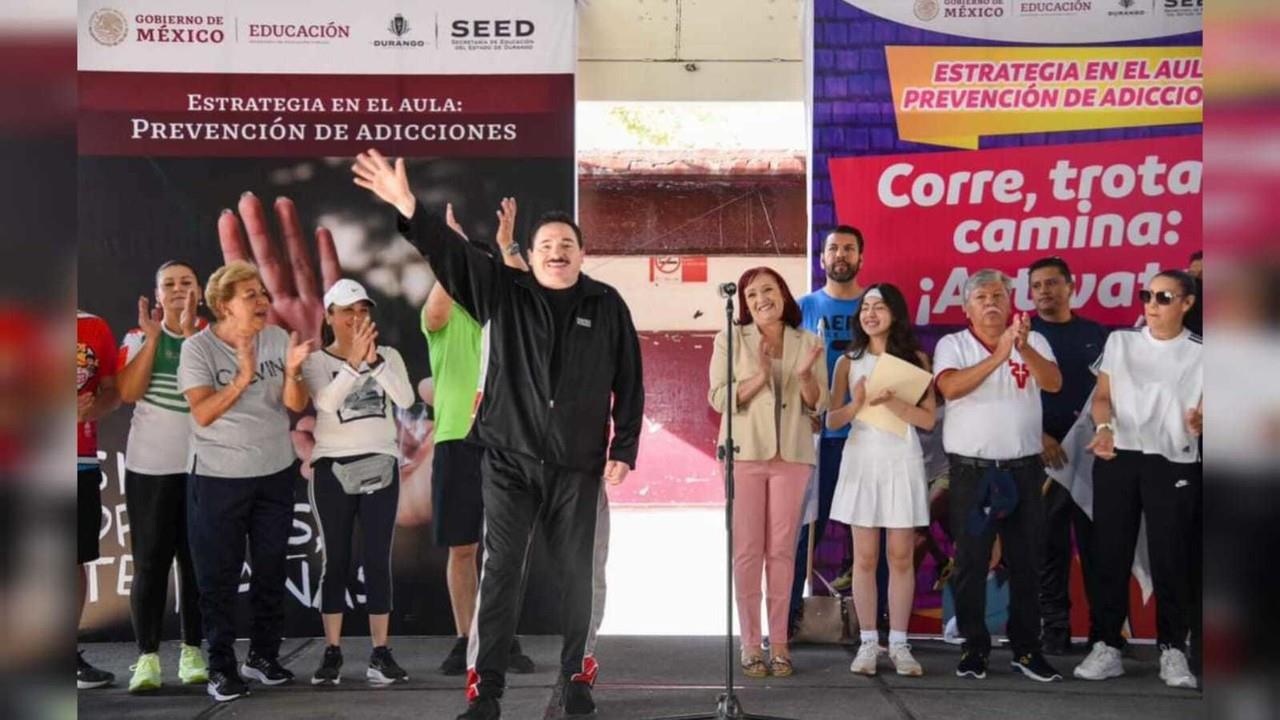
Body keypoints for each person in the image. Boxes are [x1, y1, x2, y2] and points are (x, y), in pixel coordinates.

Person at [352, 149, 644, 720]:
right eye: (546, 246)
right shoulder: (502, 293)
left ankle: (576, 675)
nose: (557, 252)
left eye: (566, 245)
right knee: (500, 573)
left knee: (582, 575)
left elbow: (630, 380)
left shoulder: (607, 305)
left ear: (582, 254)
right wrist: (407, 204)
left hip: (579, 466)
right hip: (508, 460)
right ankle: (485, 694)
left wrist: (624, 448)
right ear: (529, 257)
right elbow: (449, 253)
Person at [178, 260, 313, 702]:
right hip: (219, 480)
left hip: (274, 473)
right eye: (250, 295)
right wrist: (242, 376)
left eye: (262, 292)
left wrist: (292, 372)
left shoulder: (276, 338)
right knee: (218, 578)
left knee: (272, 569)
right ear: (223, 305)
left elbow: (295, 403)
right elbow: (202, 413)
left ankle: (263, 656)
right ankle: (221, 667)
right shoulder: (197, 349)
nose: (262, 301)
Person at [1073, 270, 1202, 689]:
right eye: (1147, 294)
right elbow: (1102, 397)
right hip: (1118, 456)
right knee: (1109, 553)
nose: (1151, 303)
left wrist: (1204, 420)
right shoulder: (1120, 341)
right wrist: (1104, 427)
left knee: (1172, 556)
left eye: (1164, 297)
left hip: (1174, 461)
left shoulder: (1204, 353)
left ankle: (1172, 649)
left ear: (1187, 303)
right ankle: (1108, 644)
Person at [933, 269, 1063, 683]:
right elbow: (951, 389)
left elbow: (1054, 383)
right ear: (967, 307)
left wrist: (1022, 348)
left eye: (998, 296)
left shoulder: (1034, 340)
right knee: (971, 561)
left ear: (1010, 303)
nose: (991, 302)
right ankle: (975, 647)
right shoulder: (952, 344)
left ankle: (1027, 648)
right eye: (982, 296)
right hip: (973, 474)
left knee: (1027, 561)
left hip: (1023, 470)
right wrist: (999, 354)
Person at [425, 200, 536, 677]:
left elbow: (530, 290)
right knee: (463, 548)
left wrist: (507, 243)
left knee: (505, 549)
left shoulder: (506, 314)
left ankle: (502, 638)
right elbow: (436, 307)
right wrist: (446, 248)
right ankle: (464, 638)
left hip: (507, 440)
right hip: (457, 438)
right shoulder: (444, 318)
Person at [709, 267, 826, 679]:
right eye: (753, 293)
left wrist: (807, 374)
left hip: (792, 455)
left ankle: (780, 644)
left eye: (769, 290)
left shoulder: (809, 342)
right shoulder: (730, 338)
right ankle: (750, 644)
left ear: (783, 294)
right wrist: (760, 375)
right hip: (744, 454)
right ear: (744, 302)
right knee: (746, 552)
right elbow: (719, 396)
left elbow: (817, 405)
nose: (762, 298)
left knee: (780, 552)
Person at [302, 279, 414, 686]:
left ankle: (380, 653)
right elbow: (326, 403)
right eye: (347, 311)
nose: (356, 318)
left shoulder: (389, 355)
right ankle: (332, 652)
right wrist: (352, 364)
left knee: (377, 559)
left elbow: (404, 400)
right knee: (336, 560)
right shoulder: (315, 362)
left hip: (380, 464)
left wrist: (374, 363)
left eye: (362, 310)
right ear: (329, 316)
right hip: (333, 467)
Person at [826, 284, 935, 677]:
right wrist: (856, 404)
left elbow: (928, 419)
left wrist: (893, 402)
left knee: (901, 556)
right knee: (865, 558)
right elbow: (831, 420)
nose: (870, 313)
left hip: (901, 461)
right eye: (865, 307)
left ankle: (901, 644)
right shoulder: (847, 361)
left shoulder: (917, 359)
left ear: (895, 312)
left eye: (879, 306)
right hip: (861, 461)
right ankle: (869, 642)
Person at [115, 261, 208, 692]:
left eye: (186, 283)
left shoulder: (211, 338)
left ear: (201, 292)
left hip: (201, 469)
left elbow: (208, 392)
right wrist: (155, 339)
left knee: (195, 565)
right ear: (157, 296)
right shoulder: (137, 338)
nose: (177, 290)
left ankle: (192, 652)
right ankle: (147, 658)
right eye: (168, 285)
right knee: (150, 564)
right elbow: (128, 393)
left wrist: (190, 336)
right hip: (149, 469)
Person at [1027, 257, 1109, 655]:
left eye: (1052, 283)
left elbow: (1112, 394)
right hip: (1044, 456)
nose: (1045, 291)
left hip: (1092, 453)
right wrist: (1037, 435)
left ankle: (1104, 633)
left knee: (1099, 548)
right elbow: (1012, 395)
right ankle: (1055, 629)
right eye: (1037, 285)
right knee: (1048, 548)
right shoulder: (1022, 335)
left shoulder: (1096, 334)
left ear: (1071, 287)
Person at [790, 225, 865, 633]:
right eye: (833, 248)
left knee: (865, 530)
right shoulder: (803, 308)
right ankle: (787, 621)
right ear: (822, 258)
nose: (840, 255)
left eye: (848, 249)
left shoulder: (872, 307)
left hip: (866, 439)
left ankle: (867, 624)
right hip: (818, 441)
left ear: (860, 258)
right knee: (806, 532)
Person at [77, 309, 121, 689]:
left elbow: (112, 392)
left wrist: (92, 407)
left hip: (78, 461)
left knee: (74, 561)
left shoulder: (93, 326)